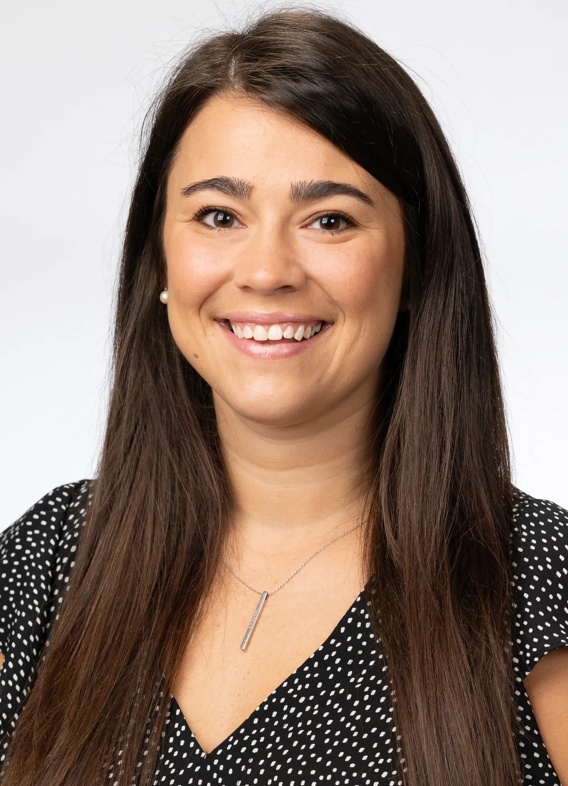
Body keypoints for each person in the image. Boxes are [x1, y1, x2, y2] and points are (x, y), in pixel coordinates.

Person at [0, 8, 567, 786]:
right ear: (158, 257)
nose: (266, 271)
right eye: (218, 216)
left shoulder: (541, 580)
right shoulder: (49, 562)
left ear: (416, 263)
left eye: (329, 219)